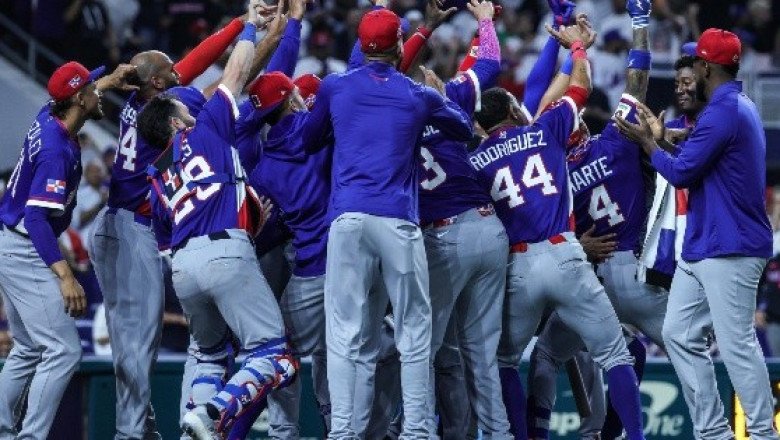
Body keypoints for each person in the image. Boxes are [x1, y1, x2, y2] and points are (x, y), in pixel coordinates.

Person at [299, 8, 474, 438]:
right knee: (414, 330)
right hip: (398, 221)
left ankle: (344, 431)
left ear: (361, 46)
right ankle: (416, 430)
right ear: (399, 45)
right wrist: (439, 96)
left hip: (349, 218)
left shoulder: (335, 87)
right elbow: (464, 130)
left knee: (346, 334)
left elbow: (307, 139)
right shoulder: (418, 95)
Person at [470, 19, 648, 440]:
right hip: (567, 253)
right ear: (516, 112)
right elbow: (579, 88)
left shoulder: (475, 161)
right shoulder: (545, 130)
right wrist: (579, 50)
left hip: (517, 267)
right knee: (616, 356)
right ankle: (633, 438)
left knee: (506, 362)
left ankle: (528, 435)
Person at [89, 11, 252, 440]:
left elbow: (193, 61)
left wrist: (237, 24)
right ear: (160, 85)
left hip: (115, 226)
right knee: (138, 342)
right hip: (130, 232)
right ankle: (131, 433)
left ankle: (139, 427)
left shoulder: (137, 100)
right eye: (169, 71)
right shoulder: (160, 114)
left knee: (132, 341)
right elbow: (196, 67)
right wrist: (244, 29)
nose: (179, 72)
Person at [138, 3, 298, 438]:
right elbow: (237, 72)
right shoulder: (205, 127)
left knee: (208, 355)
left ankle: (195, 419)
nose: (191, 106)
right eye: (181, 107)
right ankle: (212, 414)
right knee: (274, 355)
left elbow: (166, 239)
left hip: (184, 269)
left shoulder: (157, 171)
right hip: (224, 250)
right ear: (174, 122)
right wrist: (249, 28)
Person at [616, 28, 780, 440]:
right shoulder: (731, 107)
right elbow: (694, 156)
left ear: (706, 67)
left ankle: (763, 433)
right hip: (705, 245)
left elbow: (682, 172)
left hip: (733, 247)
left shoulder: (724, 112)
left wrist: (648, 144)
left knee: (737, 342)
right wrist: (664, 141)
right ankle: (713, 432)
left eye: (696, 68)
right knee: (677, 333)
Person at [0, 60, 135, 440]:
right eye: (92, 87)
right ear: (78, 98)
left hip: (10, 241)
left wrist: (108, 81)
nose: (98, 89)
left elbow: (75, 97)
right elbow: (38, 218)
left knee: (27, 349)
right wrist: (65, 276)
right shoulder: (57, 151)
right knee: (63, 351)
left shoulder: (51, 113)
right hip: (27, 246)